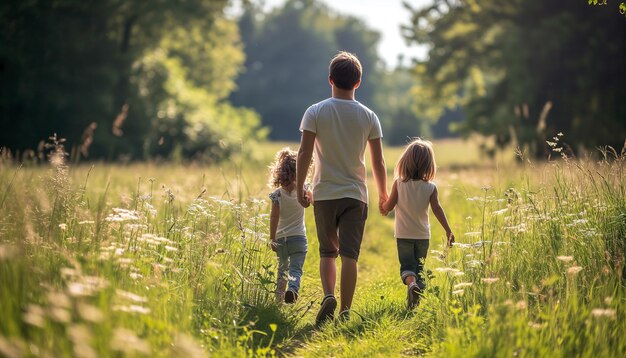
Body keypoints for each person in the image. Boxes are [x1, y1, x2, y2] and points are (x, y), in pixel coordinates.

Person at [296, 51, 388, 326]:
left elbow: (304, 153)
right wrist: (383, 194)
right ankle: (345, 312)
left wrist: (302, 186)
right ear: (358, 82)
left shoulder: (315, 111)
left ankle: (328, 295)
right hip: (356, 194)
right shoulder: (369, 116)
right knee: (350, 255)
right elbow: (379, 161)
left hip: (324, 193)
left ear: (330, 80)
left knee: (327, 252)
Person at [381, 138, 455, 309]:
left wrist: (383, 207)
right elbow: (437, 209)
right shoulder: (431, 188)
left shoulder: (399, 184)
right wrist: (448, 230)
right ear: (429, 165)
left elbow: (389, 206)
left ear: (405, 162)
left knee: (407, 267)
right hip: (422, 237)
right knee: (420, 268)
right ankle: (415, 299)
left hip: (403, 236)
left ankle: (411, 285)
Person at [268, 148, 312, 304]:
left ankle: (279, 300)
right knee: (295, 268)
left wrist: (272, 238)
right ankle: (293, 289)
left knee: (282, 270)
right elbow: (309, 203)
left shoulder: (277, 195)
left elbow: (274, 217)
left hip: (281, 239)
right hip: (299, 238)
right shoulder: (305, 189)